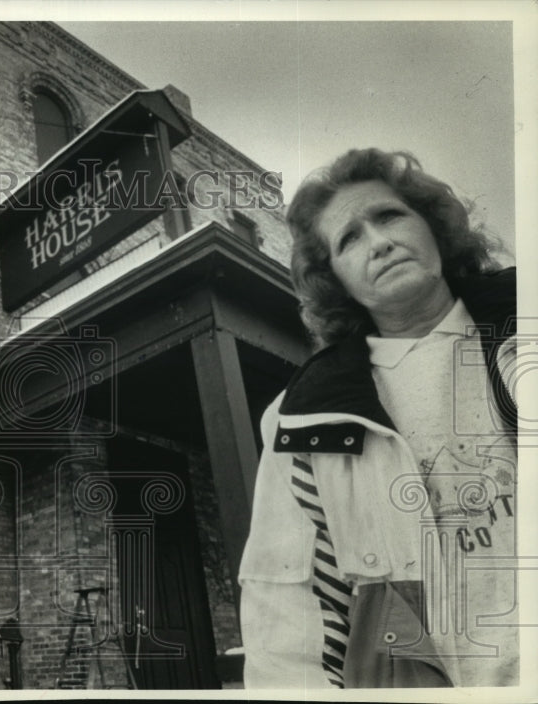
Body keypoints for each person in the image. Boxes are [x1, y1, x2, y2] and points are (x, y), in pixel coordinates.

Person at [238, 148, 518, 688]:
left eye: (390, 216)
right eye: (350, 239)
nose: (379, 242)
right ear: (335, 278)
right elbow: (285, 607)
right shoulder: (300, 420)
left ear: (433, 228)